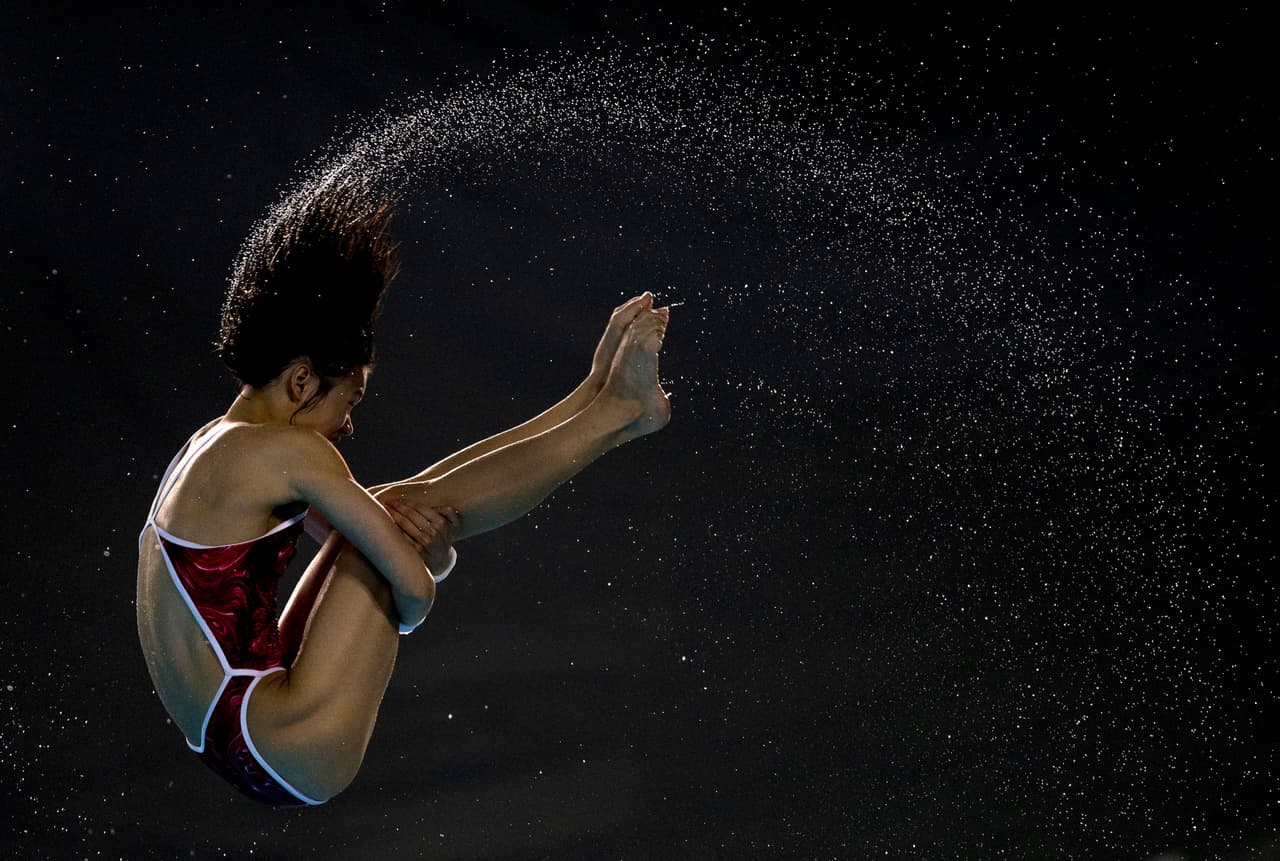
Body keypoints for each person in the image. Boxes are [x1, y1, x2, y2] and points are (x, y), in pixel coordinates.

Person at [136, 177, 671, 806]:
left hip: (232, 738)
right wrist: (418, 573)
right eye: (350, 399)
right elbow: (413, 589)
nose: (349, 424)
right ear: (304, 379)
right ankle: (614, 416)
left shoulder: (211, 445)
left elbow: (382, 538)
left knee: (391, 507)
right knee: (407, 513)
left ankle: (596, 401)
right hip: (278, 738)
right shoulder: (289, 451)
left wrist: (422, 553)